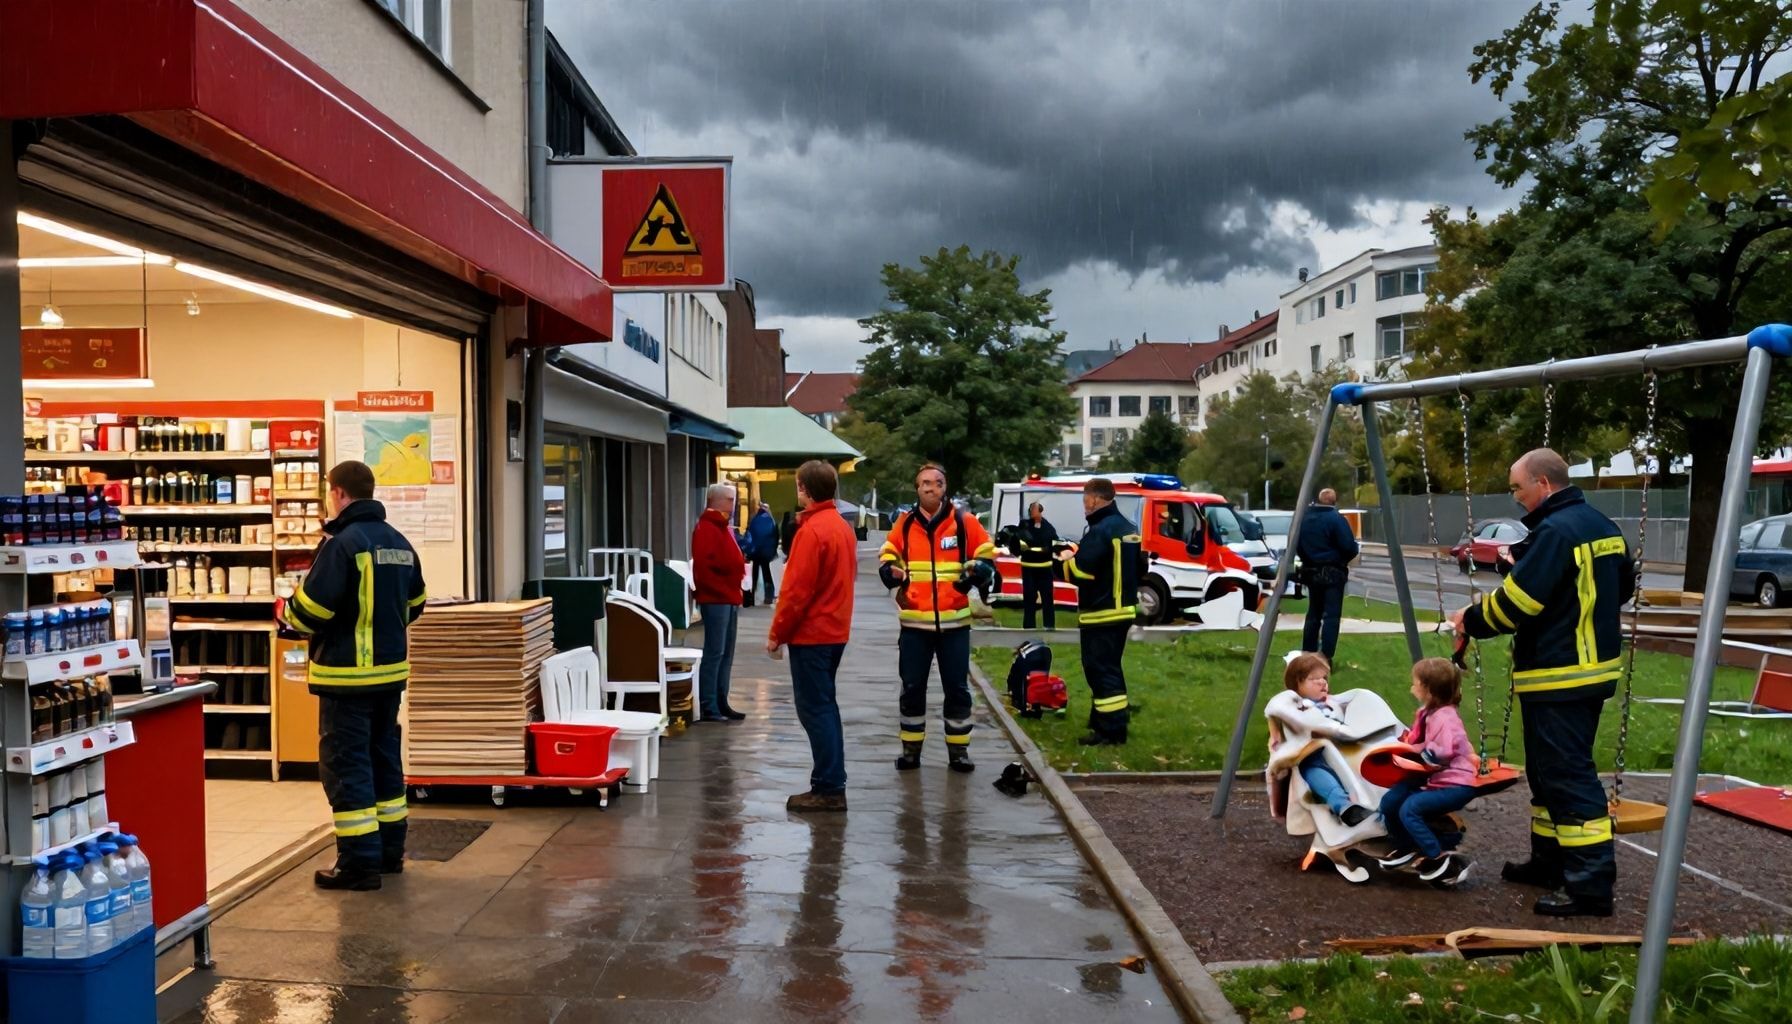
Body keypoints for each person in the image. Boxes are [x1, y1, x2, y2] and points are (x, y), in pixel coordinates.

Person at [1450, 448, 1631, 917]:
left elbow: (1516, 606)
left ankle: (1590, 887)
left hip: (1559, 672)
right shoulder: (1602, 526)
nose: (1515, 497)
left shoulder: (1554, 532)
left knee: (1567, 776)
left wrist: (1469, 619)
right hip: (1591, 669)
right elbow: (1621, 587)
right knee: (1548, 774)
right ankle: (1551, 863)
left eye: (1517, 487)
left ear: (1543, 485)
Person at [278, 460, 425, 891]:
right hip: (389, 677)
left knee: (347, 766)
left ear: (338, 493)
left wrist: (283, 612)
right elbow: (416, 603)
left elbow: (311, 611)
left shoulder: (344, 544)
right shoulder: (398, 542)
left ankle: (358, 864)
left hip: (346, 678)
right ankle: (389, 853)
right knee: (383, 761)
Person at [879, 463, 997, 773]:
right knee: (912, 687)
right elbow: (889, 551)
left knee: (957, 689)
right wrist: (889, 569)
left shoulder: (964, 521)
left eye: (938, 483)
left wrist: (980, 571)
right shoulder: (904, 523)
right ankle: (910, 750)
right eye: (925, 483)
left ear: (946, 488)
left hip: (955, 625)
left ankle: (958, 752)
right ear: (916, 489)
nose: (932, 488)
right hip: (914, 625)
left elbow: (986, 552)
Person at [768, 460, 857, 813]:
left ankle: (829, 786)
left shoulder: (812, 530)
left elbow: (796, 593)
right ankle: (831, 781)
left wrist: (777, 634)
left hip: (812, 635)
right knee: (825, 707)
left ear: (803, 488)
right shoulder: (840, 527)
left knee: (815, 710)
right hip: (834, 630)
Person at [1375, 658, 1477, 885]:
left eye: (1416, 683)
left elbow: (1445, 749)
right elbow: (1418, 741)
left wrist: (1421, 754)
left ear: (1429, 690)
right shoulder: (1428, 713)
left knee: (1410, 809)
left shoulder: (1447, 718)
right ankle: (1406, 845)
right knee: (1391, 802)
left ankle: (1435, 854)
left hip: (1455, 784)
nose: (1412, 688)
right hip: (1432, 779)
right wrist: (1406, 747)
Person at [1056, 478, 1140, 746]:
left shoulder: (1102, 530)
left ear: (1093, 499)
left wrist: (1064, 562)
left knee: (1100, 670)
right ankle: (1107, 721)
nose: (1084, 506)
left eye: (1084, 500)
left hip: (1101, 613)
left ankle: (1111, 733)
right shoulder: (1128, 528)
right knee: (1111, 669)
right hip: (1123, 609)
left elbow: (1082, 571)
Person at [1269, 654, 1375, 825]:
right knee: (1315, 771)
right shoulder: (1296, 708)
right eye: (1314, 679)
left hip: (1344, 752)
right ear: (1297, 684)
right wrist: (1274, 733)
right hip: (1312, 754)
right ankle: (1345, 807)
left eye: (1324, 678)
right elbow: (1278, 711)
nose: (1322, 682)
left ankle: (1375, 802)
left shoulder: (1333, 702)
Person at [691, 483, 747, 721]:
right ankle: (709, 703)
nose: (733, 504)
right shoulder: (707, 527)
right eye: (730, 499)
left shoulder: (721, 527)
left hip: (728, 595)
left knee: (726, 652)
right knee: (715, 651)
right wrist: (722, 587)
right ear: (717, 501)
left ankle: (721, 700)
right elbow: (703, 568)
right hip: (717, 597)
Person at [1295, 487, 1359, 659]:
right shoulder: (1336, 520)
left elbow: (1296, 544)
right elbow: (1348, 547)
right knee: (1331, 616)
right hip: (1333, 571)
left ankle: (1307, 654)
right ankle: (1325, 657)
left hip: (1310, 570)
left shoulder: (1304, 519)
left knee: (1313, 613)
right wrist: (1342, 558)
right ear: (1334, 501)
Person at [1014, 501, 1059, 630]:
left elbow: (1053, 542)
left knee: (1047, 597)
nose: (1032, 512)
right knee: (1029, 597)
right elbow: (1017, 540)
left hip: (1045, 568)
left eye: (1034, 510)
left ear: (1040, 511)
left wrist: (1044, 548)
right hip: (1029, 567)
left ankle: (1049, 625)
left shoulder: (1048, 527)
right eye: (1031, 510)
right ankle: (1029, 626)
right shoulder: (1024, 525)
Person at [748, 500, 779, 603]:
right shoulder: (771, 520)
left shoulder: (754, 520)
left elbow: (749, 535)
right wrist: (773, 550)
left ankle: (751, 596)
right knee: (767, 573)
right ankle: (768, 596)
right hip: (766, 552)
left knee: (754, 573)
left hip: (755, 551)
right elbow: (775, 536)